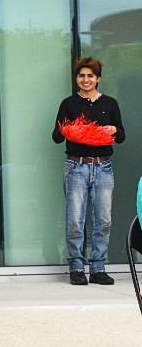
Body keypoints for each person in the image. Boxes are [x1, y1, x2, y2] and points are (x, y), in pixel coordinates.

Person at [52, 56, 125, 286]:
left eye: (90, 76)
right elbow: (56, 136)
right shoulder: (68, 104)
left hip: (103, 167)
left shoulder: (110, 103)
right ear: (77, 79)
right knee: (75, 220)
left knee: (103, 220)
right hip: (76, 166)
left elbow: (121, 135)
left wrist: (113, 129)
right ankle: (76, 267)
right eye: (81, 75)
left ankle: (98, 268)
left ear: (98, 78)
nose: (86, 79)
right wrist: (69, 129)